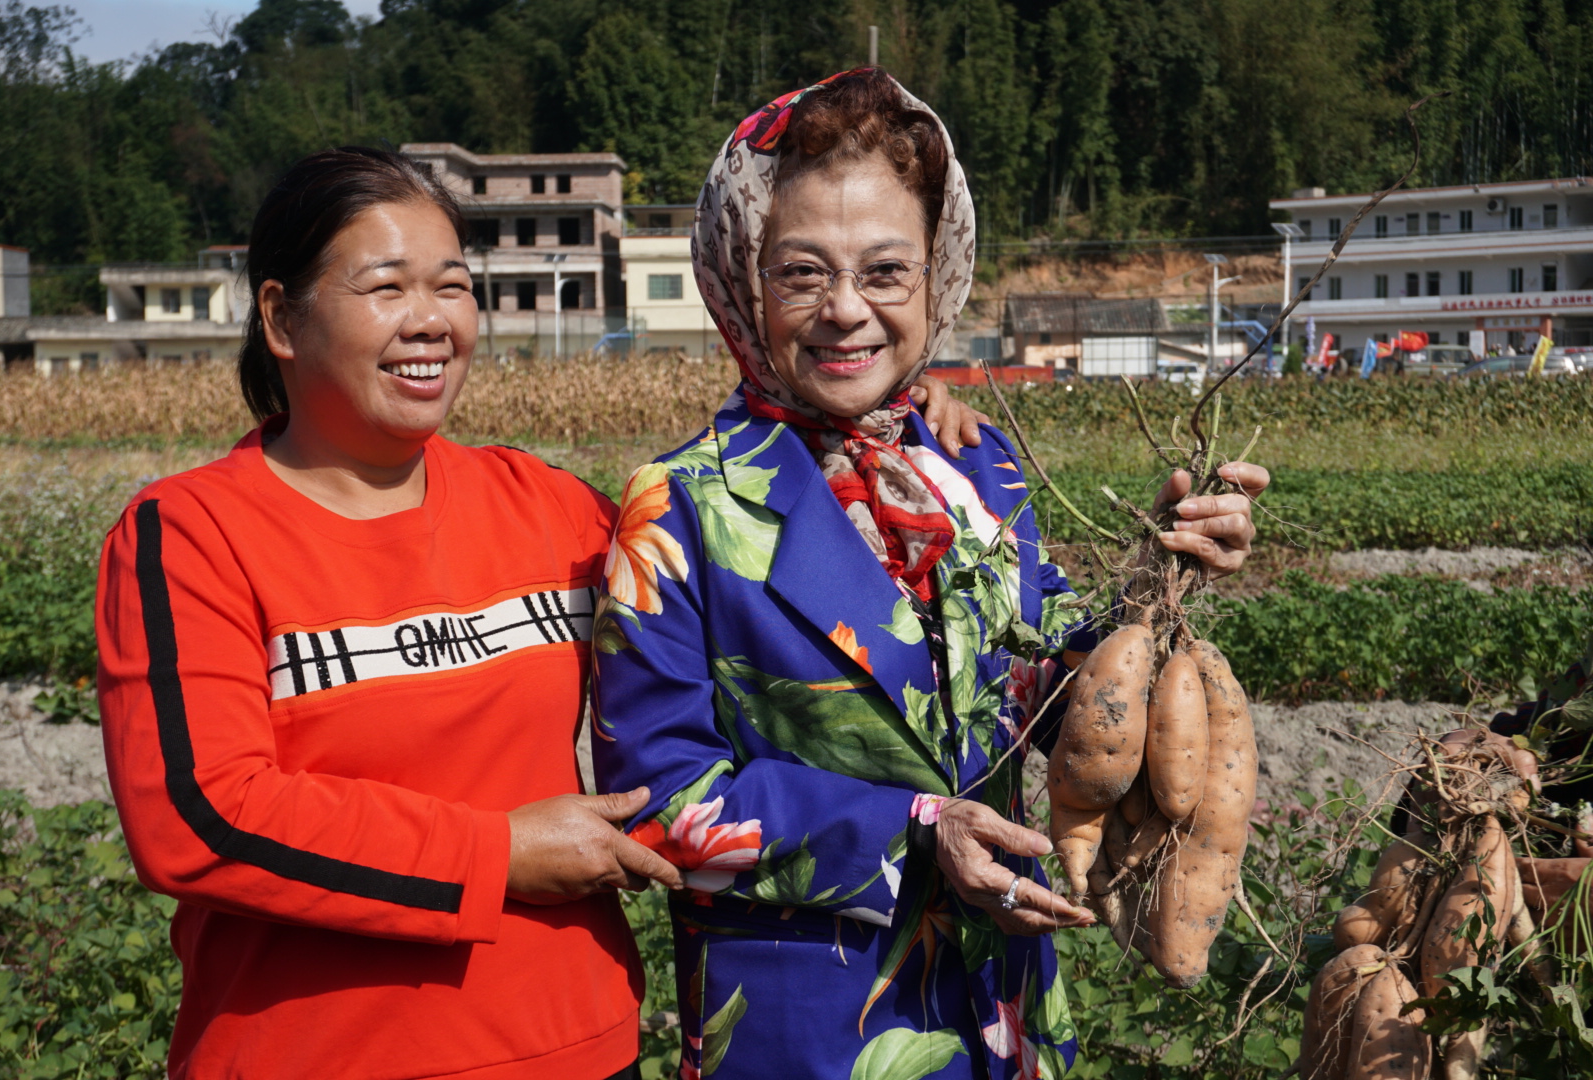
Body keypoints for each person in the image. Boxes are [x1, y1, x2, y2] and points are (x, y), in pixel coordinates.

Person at [95, 145, 987, 1080]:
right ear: (282, 317)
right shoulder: (192, 535)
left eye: (452, 286)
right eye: (387, 287)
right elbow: (199, 818)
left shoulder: (546, 510)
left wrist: (885, 422)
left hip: (578, 1047)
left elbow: (746, 572)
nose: (431, 320)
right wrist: (494, 855)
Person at [590, 69, 1268, 1079]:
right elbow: (658, 798)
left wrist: (1154, 587)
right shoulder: (681, 507)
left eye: (884, 271)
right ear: (741, 276)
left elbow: (1046, 690)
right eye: (801, 273)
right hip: (812, 1034)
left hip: (1003, 1014)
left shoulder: (974, 469)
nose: (845, 310)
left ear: (934, 277)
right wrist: (913, 833)